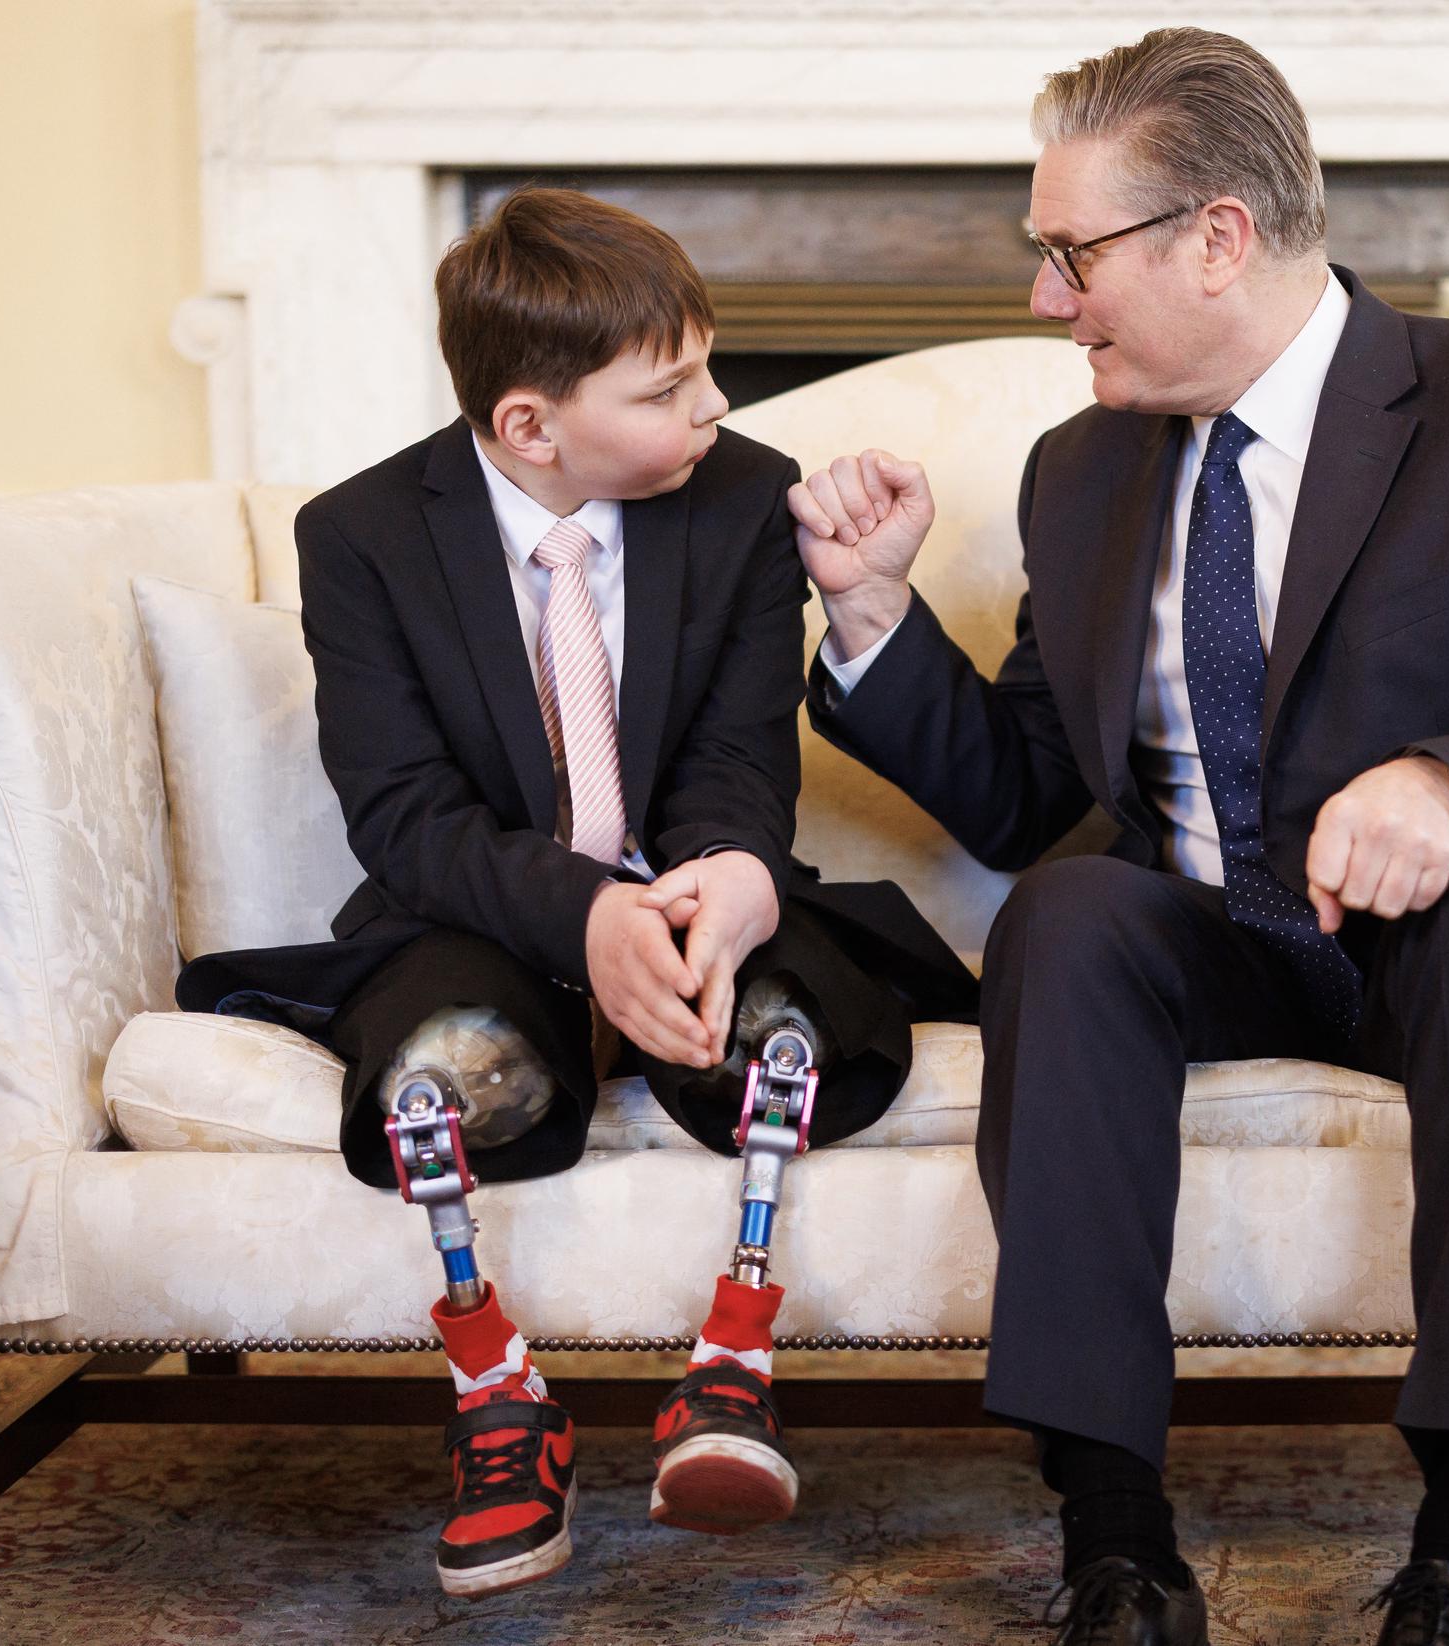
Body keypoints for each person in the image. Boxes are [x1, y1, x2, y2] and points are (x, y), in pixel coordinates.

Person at [789, 29, 1449, 1646]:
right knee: (1066, 909)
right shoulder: (1082, 472)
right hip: (1212, 934)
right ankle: (1117, 1543)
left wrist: (1447, 783)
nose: (1044, 300)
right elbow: (1021, 793)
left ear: (1216, 236)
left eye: (1069, 256)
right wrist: (870, 614)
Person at [176, 185, 972, 1599]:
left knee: (789, 1038)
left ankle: (732, 1365)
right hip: (480, 915)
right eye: (670, 389)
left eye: (711, 366)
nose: (717, 407)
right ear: (529, 426)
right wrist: (585, 919)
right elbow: (407, 816)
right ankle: (500, 1403)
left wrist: (720, 885)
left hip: (692, 896)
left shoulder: (736, 502)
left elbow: (738, 762)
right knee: (445, 1075)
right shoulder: (361, 538)